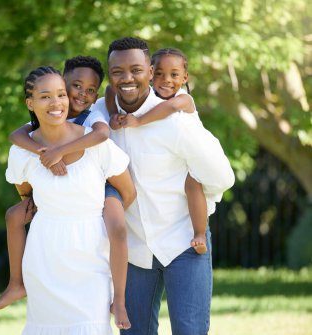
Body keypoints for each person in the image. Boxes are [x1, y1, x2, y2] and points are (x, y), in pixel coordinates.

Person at [91, 37, 235, 335]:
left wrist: (197, 197)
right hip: (132, 251)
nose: (127, 78)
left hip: (183, 241)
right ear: (110, 74)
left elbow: (222, 177)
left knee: (190, 331)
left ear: (149, 69)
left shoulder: (177, 119)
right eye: (118, 71)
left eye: (136, 70)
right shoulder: (102, 118)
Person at [0, 57, 132, 329]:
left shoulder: (94, 135)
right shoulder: (22, 151)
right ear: (30, 104)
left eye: (60, 95)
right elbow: (27, 197)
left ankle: (120, 301)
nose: (56, 103)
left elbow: (127, 191)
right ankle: (16, 284)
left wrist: (106, 213)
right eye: (45, 97)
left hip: (90, 253)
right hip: (45, 255)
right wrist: (45, 156)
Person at [106, 47, 208, 254]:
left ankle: (199, 233)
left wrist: (139, 121)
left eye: (174, 75)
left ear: (185, 77)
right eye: (160, 74)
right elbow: (109, 91)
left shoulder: (184, 98)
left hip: (190, 162)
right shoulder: (148, 96)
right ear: (151, 74)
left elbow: (170, 108)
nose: (166, 80)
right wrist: (113, 114)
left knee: (193, 184)